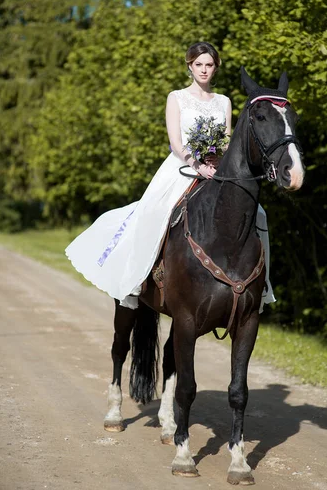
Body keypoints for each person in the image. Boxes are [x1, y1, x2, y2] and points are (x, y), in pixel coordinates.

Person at [65, 42, 274, 311]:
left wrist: (216, 160)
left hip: (216, 170)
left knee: (259, 215)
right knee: (152, 212)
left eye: (209, 65)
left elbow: (226, 143)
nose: (204, 70)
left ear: (216, 68)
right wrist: (197, 164)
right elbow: (176, 143)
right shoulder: (176, 97)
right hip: (181, 168)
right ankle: (137, 279)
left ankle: (263, 285)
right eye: (198, 64)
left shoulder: (224, 101)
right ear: (189, 66)